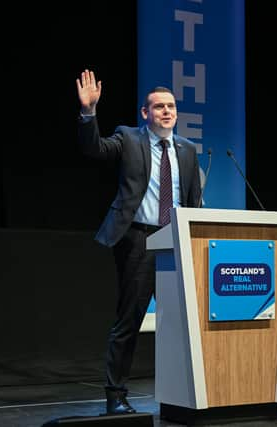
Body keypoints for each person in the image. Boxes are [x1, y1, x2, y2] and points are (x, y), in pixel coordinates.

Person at [76, 69, 202, 414]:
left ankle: (187, 395)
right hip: (138, 239)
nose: (166, 111)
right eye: (158, 107)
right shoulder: (129, 138)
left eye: (171, 107)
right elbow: (95, 150)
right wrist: (89, 113)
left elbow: (192, 200)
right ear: (145, 113)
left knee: (181, 322)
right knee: (130, 319)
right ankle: (115, 396)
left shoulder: (188, 150)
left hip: (175, 241)